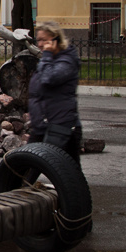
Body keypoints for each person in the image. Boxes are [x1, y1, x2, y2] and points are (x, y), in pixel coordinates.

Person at [27, 21, 82, 160]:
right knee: (26, 165)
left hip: (60, 125)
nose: (40, 44)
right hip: (43, 124)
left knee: (63, 171)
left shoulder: (66, 61)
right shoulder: (50, 60)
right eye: (38, 40)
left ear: (56, 40)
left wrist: (46, 55)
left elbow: (48, 79)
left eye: (44, 40)